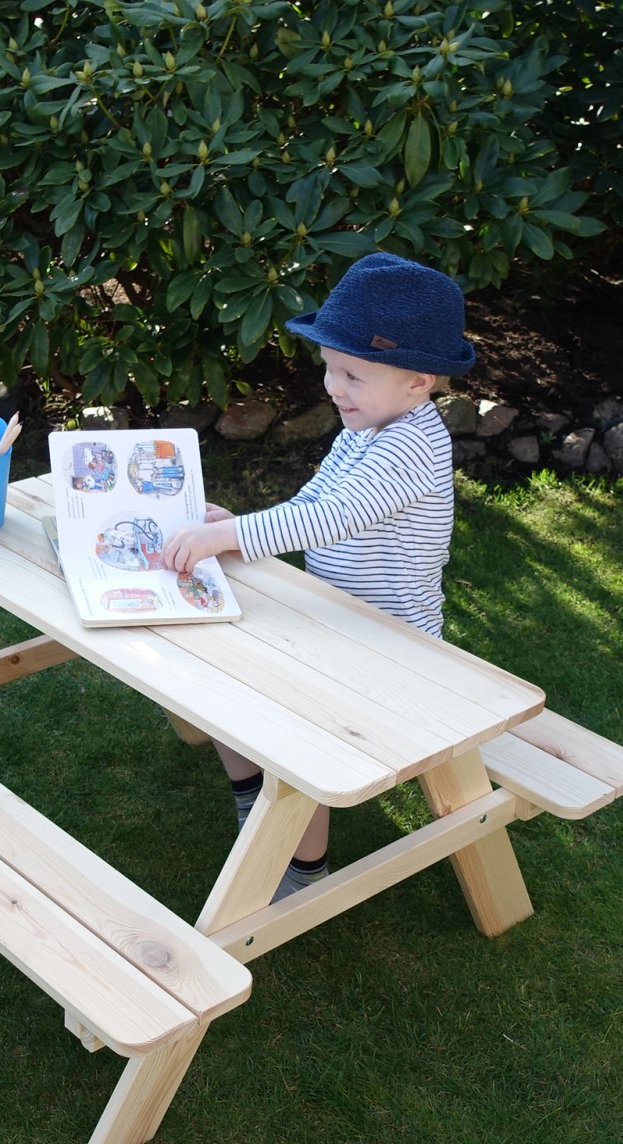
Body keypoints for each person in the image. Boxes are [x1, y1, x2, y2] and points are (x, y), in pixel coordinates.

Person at [161, 252, 475, 900]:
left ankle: (303, 867)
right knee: (217, 662)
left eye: (353, 374)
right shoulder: (368, 426)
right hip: (336, 618)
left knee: (287, 720)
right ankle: (253, 793)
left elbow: (331, 520)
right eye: (330, 367)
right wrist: (239, 527)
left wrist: (228, 536)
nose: (334, 386)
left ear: (418, 382)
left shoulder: (413, 445)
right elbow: (312, 501)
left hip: (393, 647)